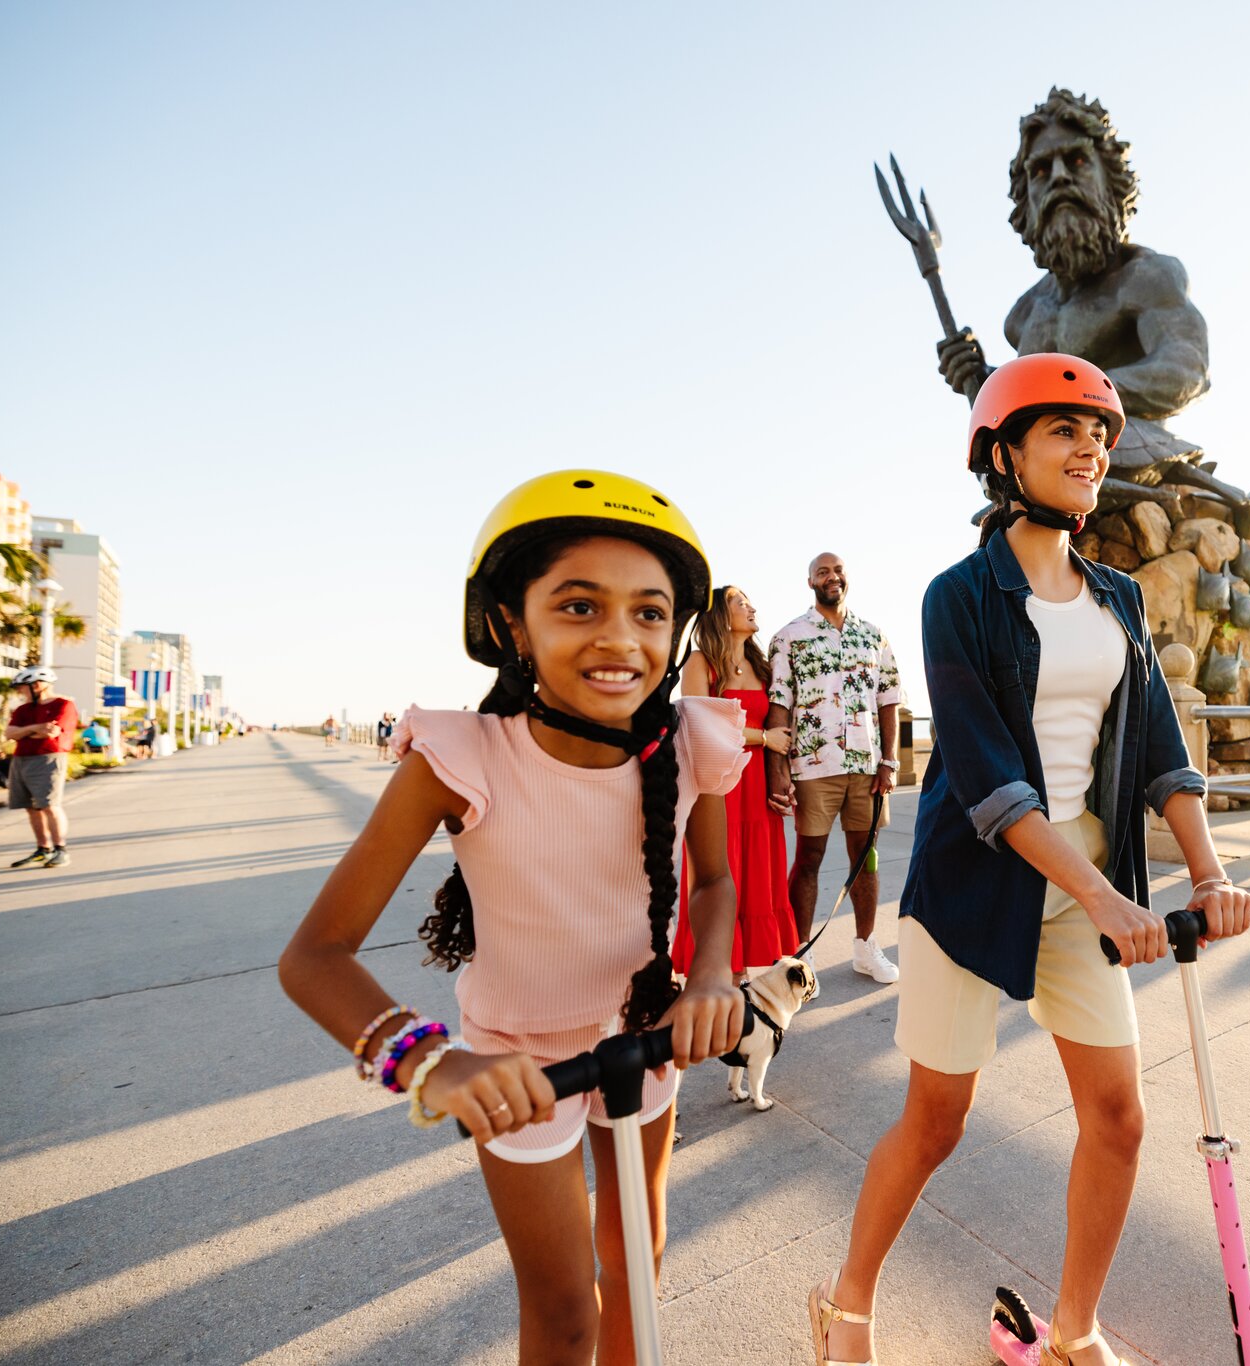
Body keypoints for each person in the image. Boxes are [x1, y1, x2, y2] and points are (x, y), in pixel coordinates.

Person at [808, 355, 1250, 1366]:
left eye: (1098, 432)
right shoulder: (957, 597)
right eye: (1063, 430)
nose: (1091, 446)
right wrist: (1104, 897)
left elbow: (1156, 750)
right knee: (934, 1121)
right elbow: (988, 777)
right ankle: (847, 1305)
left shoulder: (1116, 600)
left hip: (1086, 892)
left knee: (1118, 1119)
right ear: (1002, 455)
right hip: (975, 891)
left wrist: (1209, 871)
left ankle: (1073, 1331)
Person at [278, 471, 747, 1363]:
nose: (620, 638)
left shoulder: (692, 741)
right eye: (579, 606)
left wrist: (713, 977)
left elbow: (717, 885)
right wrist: (434, 1064)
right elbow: (314, 956)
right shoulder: (461, 758)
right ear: (509, 626)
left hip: (647, 1037)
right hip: (517, 1063)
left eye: (649, 613)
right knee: (566, 1310)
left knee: (638, 1265)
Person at [763, 553, 906, 984]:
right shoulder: (789, 637)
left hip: (866, 766)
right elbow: (778, 706)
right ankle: (798, 959)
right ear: (810, 581)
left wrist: (890, 762)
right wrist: (778, 771)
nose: (832, 577)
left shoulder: (873, 635)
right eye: (823, 572)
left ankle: (865, 948)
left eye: (838, 570)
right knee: (809, 858)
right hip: (812, 766)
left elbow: (889, 701)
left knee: (866, 858)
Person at [672, 585, 798, 980]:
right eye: (740, 602)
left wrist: (784, 776)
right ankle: (716, 971)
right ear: (719, 615)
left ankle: (741, 972)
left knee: (757, 876)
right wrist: (763, 738)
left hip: (757, 786)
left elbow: (781, 723)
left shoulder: (763, 667)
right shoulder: (700, 662)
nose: (751, 607)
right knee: (721, 870)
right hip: (719, 786)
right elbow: (698, 723)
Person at [4, 665, 80, 868]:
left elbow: (51, 732)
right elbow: (9, 733)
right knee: (31, 807)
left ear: (36, 685)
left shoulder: (63, 705)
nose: (20, 691)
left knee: (49, 805)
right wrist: (35, 728)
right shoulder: (23, 709)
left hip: (47, 758)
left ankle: (60, 849)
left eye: (22, 687)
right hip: (21, 759)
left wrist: (24, 731)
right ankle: (43, 849)